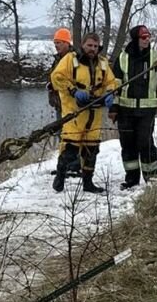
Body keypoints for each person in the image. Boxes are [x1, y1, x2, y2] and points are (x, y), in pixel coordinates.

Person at [111, 22, 157, 188]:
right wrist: (113, 107)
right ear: (136, 39)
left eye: (149, 36)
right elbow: (114, 85)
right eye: (144, 37)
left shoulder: (156, 56)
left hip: (147, 111)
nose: (147, 40)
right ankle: (132, 179)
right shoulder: (122, 58)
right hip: (125, 110)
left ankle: (152, 178)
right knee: (128, 145)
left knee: (145, 143)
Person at [50, 31, 118, 193]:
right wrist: (73, 91)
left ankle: (88, 183)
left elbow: (111, 81)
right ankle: (60, 176)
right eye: (89, 45)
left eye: (95, 46)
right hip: (74, 113)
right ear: (82, 45)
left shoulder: (102, 63)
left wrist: (109, 93)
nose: (92, 49)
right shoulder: (70, 60)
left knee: (91, 150)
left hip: (94, 113)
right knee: (70, 149)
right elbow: (57, 77)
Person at [47, 28, 73, 112]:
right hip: (59, 104)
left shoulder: (74, 59)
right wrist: (51, 85)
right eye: (55, 43)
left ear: (67, 43)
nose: (56, 45)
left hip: (70, 105)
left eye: (58, 42)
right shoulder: (57, 59)